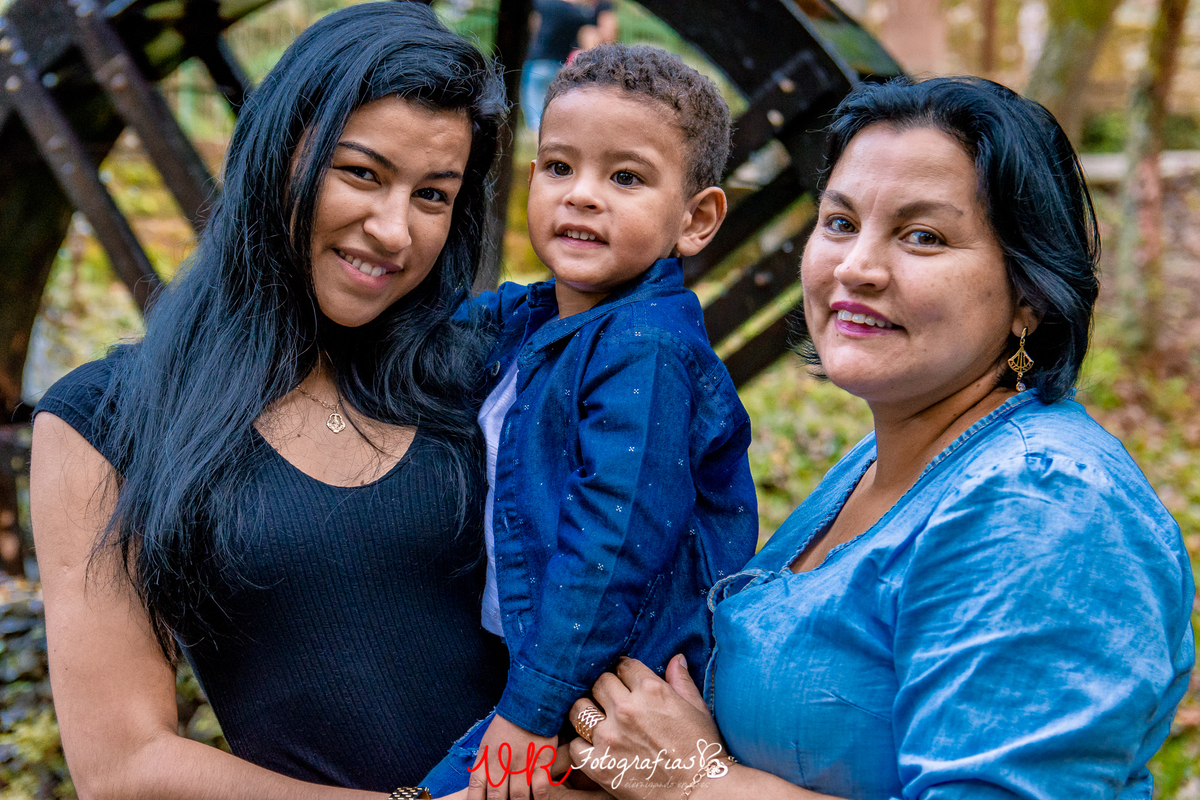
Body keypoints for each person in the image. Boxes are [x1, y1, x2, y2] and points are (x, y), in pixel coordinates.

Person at [560, 76, 1195, 800]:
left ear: (1030, 293)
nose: (856, 267)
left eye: (923, 236)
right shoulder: (890, 456)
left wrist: (692, 783)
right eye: (839, 222)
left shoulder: (1044, 504)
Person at [29, 4, 508, 798]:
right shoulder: (106, 420)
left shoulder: (487, 376)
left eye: (432, 195)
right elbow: (123, 765)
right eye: (362, 173)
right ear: (274, 155)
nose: (395, 231)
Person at [427, 43, 758, 800]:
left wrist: (530, 712)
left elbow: (612, 543)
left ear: (696, 219)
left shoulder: (646, 348)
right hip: (551, 670)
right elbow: (433, 335)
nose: (581, 195)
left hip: (611, 697)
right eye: (559, 167)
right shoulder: (536, 317)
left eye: (626, 177)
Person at [520, 0, 618, 131]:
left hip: (534, 64)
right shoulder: (576, 13)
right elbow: (599, 33)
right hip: (559, 67)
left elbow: (531, 26)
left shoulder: (541, 4)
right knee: (553, 118)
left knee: (536, 119)